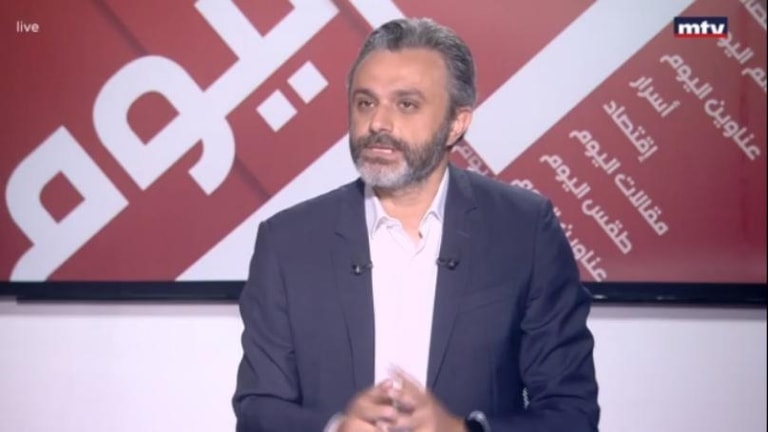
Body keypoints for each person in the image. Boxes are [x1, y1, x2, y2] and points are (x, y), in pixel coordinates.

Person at [233, 17, 600, 432]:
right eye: (365, 103)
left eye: (406, 104)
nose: (378, 123)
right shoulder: (288, 241)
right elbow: (258, 410)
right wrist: (337, 429)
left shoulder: (524, 230)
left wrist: (459, 430)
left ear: (457, 123)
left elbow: (572, 414)